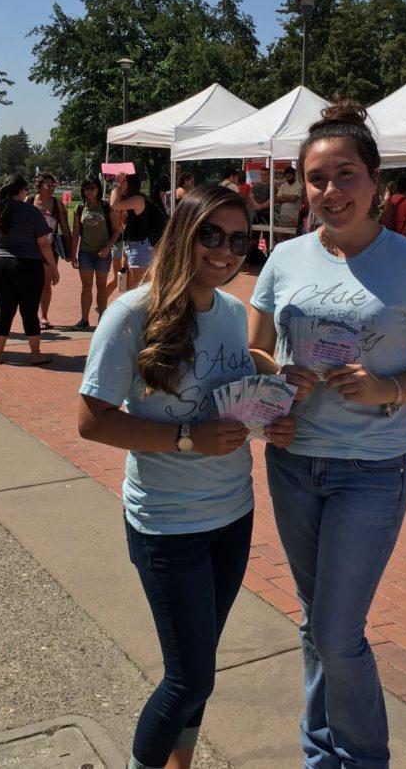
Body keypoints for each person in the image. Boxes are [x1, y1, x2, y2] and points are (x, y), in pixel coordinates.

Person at [248, 103, 406, 768]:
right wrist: (274, 394)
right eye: (316, 179)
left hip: (372, 470)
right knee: (316, 625)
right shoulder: (283, 259)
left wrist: (387, 389)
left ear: (376, 182)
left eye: (345, 175)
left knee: (338, 633)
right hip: (293, 464)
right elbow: (253, 355)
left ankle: (364, 759)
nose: (330, 192)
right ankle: (321, 753)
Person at [79, 182, 296, 769]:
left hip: (232, 515)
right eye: (211, 235)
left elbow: (234, 386)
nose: (226, 251)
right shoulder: (132, 313)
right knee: (187, 679)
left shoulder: (231, 313)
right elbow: (91, 421)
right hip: (167, 524)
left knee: (201, 671)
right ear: (184, 235)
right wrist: (185, 439)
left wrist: (271, 405)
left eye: (239, 239)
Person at [0, 175, 58, 365]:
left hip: (0, 264)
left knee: (4, 311)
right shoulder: (32, 212)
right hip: (28, 265)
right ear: (22, 191)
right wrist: (54, 267)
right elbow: (43, 243)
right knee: (29, 311)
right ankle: (35, 354)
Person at [70, 177, 120, 330]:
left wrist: (108, 248)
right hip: (85, 252)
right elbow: (76, 233)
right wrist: (73, 254)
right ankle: (84, 319)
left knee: (101, 286)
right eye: (86, 189)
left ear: (98, 189)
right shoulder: (79, 208)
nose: (89, 192)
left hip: (102, 253)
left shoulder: (105, 207)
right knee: (86, 286)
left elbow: (117, 230)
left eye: (92, 188)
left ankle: (102, 318)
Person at [29, 173, 70, 329]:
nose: (52, 188)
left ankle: (43, 316)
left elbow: (65, 227)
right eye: (48, 185)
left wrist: (69, 249)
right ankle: (31, 315)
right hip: (31, 249)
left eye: (54, 185)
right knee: (32, 284)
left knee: (46, 283)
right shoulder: (30, 201)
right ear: (39, 186)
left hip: (49, 248)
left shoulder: (57, 204)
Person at [111, 170, 162, 288]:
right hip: (133, 247)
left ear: (130, 183)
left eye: (123, 181)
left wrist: (116, 183)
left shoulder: (138, 200)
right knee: (129, 287)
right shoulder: (130, 202)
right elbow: (128, 230)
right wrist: (124, 254)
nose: (119, 184)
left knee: (138, 289)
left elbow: (113, 204)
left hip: (141, 249)